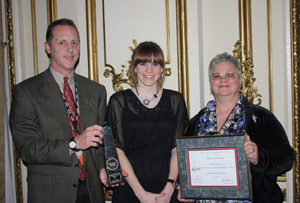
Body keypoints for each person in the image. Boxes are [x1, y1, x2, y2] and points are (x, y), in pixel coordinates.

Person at [9, 18, 115, 203]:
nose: (70, 49)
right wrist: (74, 143)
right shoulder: (26, 91)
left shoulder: (96, 90)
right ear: (48, 48)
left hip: (91, 192)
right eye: (62, 42)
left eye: (74, 42)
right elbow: (28, 149)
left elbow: (99, 146)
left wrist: (103, 167)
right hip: (50, 193)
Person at [180, 52, 294, 203]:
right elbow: (186, 164)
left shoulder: (260, 118)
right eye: (217, 76)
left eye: (230, 74)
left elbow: (287, 157)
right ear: (211, 82)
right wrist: (188, 190)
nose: (223, 79)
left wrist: (258, 158)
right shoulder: (197, 121)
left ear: (240, 80)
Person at [106, 41, 189, 203]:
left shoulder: (176, 100)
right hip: (130, 186)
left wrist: (170, 187)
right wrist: (140, 193)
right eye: (143, 63)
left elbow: (178, 147)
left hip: (167, 184)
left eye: (155, 64)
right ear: (134, 68)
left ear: (162, 69)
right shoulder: (118, 101)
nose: (149, 69)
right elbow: (117, 150)